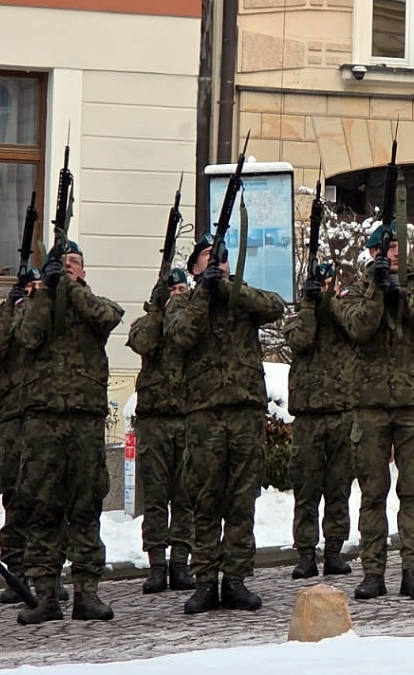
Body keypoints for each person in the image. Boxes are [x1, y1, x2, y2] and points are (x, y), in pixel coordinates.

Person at [167, 234, 285, 613]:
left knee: (241, 500)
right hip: (204, 413)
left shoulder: (240, 295)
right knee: (205, 499)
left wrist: (230, 288)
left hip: (245, 411)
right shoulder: (183, 301)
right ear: (194, 267)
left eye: (221, 256)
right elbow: (182, 334)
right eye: (208, 256)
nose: (216, 261)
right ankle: (205, 581)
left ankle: (235, 579)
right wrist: (205, 291)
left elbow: (275, 307)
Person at [337, 223, 414, 600]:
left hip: (413, 406)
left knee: (413, 492)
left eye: (397, 249)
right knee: (372, 494)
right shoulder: (358, 290)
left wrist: (405, 298)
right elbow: (357, 328)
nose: (392, 255)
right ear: (373, 253)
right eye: (385, 250)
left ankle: (413, 571)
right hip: (370, 406)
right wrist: (377, 290)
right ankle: (373, 572)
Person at [12, 241, 124, 623]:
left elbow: (106, 317)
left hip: (84, 422)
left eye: (75, 263)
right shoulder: (36, 306)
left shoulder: (94, 304)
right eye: (62, 264)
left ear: (84, 272)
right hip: (43, 423)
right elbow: (26, 337)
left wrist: (70, 287)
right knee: (42, 508)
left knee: (86, 508)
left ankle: (87, 593)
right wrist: (47, 290)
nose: (69, 268)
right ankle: (44, 595)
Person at [0, 268, 68, 605]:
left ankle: (50, 572)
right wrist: (9, 308)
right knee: (15, 499)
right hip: (14, 420)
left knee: (51, 499)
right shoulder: (12, 316)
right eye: (29, 286)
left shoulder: (53, 314)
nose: (34, 291)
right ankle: (16, 572)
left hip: (47, 416)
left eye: (39, 285)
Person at [284, 262, 357, 579]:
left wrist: (330, 302)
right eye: (320, 284)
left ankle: (334, 552)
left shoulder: (346, 311)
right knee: (306, 490)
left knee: (339, 488)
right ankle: (305, 554)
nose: (325, 289)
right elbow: (301, 340)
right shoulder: (300, 316)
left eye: (330, 284)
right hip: (308, 416)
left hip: (342, 411)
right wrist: (309, 305)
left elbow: (354, 329)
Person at [127, 268, 196, 594]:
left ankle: (180, 562)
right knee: (155, 498)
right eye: (173, 291)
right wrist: (157, 312)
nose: (178, 295)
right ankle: (156, 565)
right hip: (154, 420)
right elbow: (141, 342)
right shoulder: (147, 323)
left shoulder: (192, 323)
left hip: (188, 417)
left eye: (182, 289)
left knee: (185, 496)